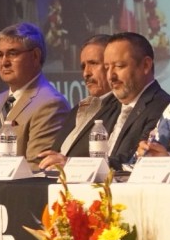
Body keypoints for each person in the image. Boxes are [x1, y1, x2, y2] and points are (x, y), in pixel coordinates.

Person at [0, 22, 71, 173]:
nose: (4, 62)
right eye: (0, 55)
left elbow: (37, 170)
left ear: (35, 56)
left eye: (12, 54)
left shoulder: (50, 104)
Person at [38, 34, 116, 169]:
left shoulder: (122, 109)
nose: (86, 73)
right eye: (83, 66)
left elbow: (112, 161)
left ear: (111, 66)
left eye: (93, 63)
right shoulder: (78, 109)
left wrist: (70, 164)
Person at [102, 31, 170, 171]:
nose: (110, 76)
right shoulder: (108, 106)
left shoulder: (163, 107)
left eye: (119, 66)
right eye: (106, 68)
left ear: (145, 65)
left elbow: (134, 159)